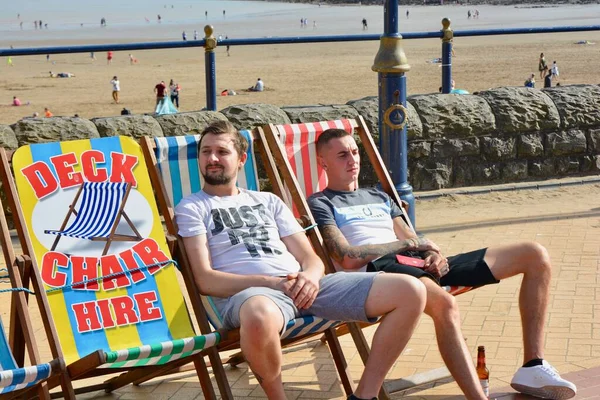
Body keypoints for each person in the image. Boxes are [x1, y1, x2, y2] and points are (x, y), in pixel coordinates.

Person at [308, 128, 578, 400]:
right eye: (342, 155)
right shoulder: (321, 202)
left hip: (415, 263)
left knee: (534, 255)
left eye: (354, 152)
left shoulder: (380, 197)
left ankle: (533, 366)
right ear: (323, 163)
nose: (352, 160)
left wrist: (432, 253)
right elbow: (347, 257)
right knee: (446, 305)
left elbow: (413, 239)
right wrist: (408, 246)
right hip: (383, 271)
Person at [174, 121, 426, 400]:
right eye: (206, 151)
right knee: (258, 315)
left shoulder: (268, 201)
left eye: (222, 151)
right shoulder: (191, 207)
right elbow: (205, 280)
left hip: (306, 286)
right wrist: (274, 283)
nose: (212, 159)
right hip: (253, 295)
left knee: (410, 291)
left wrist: (308, 277)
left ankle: (365, 395)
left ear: (242, 159)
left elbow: (311, 258)